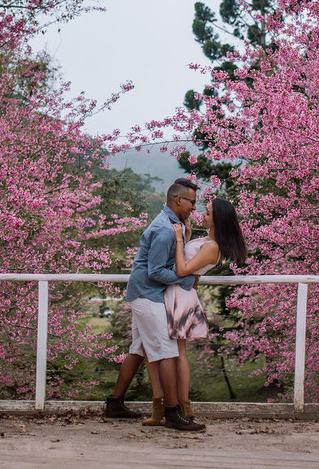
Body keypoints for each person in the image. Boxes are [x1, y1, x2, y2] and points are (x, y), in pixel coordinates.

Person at [103, 178, 206, 431]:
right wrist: (186, 277)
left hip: (144, 293)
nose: (195, 207)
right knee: (168, 351)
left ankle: (114, 404)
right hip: (147, 295)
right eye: (192, 202)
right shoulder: (164, 230)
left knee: (138, 349)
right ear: (178, 200)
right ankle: (172, 414)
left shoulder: (176, 224)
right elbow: (156, 271)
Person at [141, 197, 247, 427]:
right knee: (164, 350)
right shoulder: (207, 241)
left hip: (179, 296)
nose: (202, 215)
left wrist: (179, 239)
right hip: (178, 293)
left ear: (218, 220)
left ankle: (182, 405)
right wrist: (187, 237)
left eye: (208, 214)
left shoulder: (212, 247)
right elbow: (191, 267)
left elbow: (182, 269)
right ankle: (173, 405)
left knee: (177, 352)